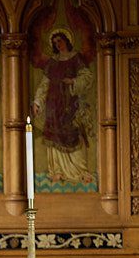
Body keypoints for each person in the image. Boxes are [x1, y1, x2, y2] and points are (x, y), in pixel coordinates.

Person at [31, 29, 94, 184]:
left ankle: (81, 171)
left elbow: (87, 77)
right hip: (54, 105)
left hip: (71, 103)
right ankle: (57, 171)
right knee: (54, 136)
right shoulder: (52, 62)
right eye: (55, 42)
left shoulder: (76, 59)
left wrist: (73, 82)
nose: (58, 44)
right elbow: (44, 84)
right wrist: (38, 102)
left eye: (60, 41)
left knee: (74, 134)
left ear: (67, 40)